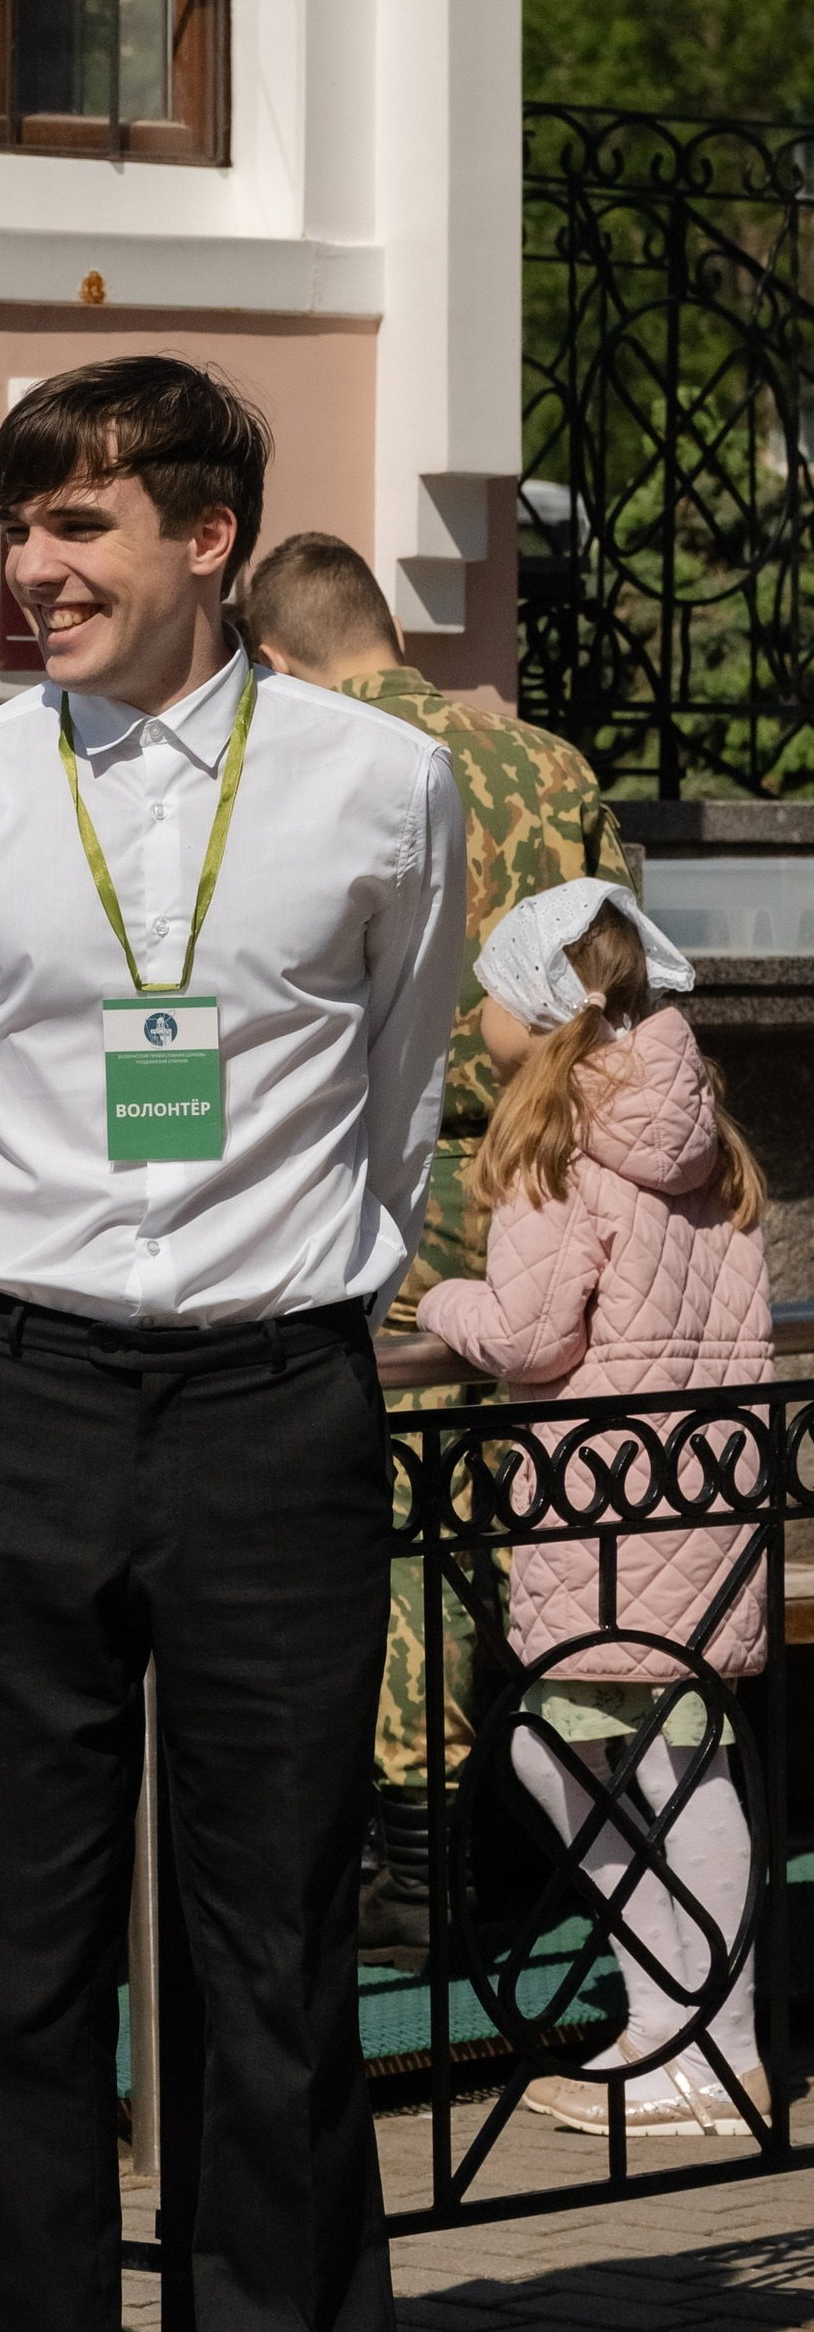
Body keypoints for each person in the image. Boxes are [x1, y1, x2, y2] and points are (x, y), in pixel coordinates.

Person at [0, 358, 466, 2332]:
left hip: (269, 1403)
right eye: (17, 525)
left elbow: (393, 1091)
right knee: (14, 1961)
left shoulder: (378, 789)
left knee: (269, 1951)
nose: (34, 567)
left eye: (80, 523)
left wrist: (276, 1281)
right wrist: (44, 1288)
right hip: (13, 1391)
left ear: (207, 538)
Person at [247, 530, 634, 1954]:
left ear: (278, 660)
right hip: (569, 1156)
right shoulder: (551, 764)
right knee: (554, 1500)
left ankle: (419, 1863)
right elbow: (617, 961)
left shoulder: (313, 766)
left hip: (405, 1185)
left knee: (414, 1512)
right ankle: (550, 1833)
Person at [415, 885, 772, 2140]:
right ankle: (692, 2037)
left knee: (576, 1750)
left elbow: (521, 1332)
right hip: (701, 1485)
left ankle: (695, 2043)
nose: (480, 1017)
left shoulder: (557, 1140)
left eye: (493, 995)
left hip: (602, 1500)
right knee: (678, 1753)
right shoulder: (694, 1123)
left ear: (537, 1008)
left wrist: (435, 1310)